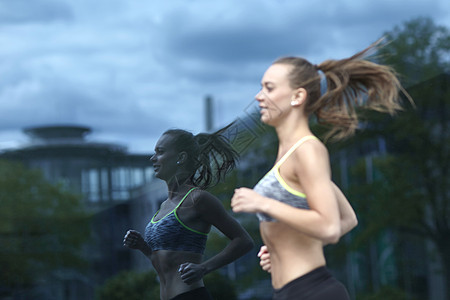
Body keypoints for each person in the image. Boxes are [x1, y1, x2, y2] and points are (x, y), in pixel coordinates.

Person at [231, 40, 410, 300]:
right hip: (289, 292)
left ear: (298, 96)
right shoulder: (288, 154)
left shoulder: (308, 150)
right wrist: (288, 246)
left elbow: (330, 228)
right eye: (261, 88)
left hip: (312, 292)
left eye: (269, 88)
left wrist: (264, 204)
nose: (259, 96)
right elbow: (348, 218)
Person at [124, 127, 254, 300]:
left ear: (181, 158)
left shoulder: (198, 199)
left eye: (160, 152)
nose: (153, 158)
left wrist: (204, 268)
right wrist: (143, 247)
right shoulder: (164, 206)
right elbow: (165, 265)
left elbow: (244, 241)